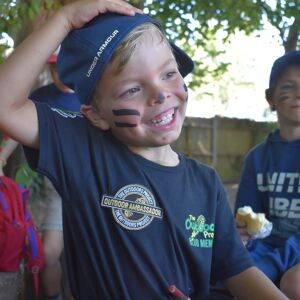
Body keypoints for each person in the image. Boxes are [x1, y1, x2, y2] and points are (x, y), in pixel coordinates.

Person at [0, 0, 289, 299]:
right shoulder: (83, 151)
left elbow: (236, 270)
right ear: (96, 114)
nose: (161, 94)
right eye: (132, 89)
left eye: (168, 74)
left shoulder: (207, 184)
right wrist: (64, 19)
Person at [235, 50, 300, 300]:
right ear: (270, 97)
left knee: (293, 283)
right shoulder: (257, 158)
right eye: (288, 86)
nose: (297, 93)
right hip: (269, 249)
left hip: (287, 254)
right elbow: (247, 221)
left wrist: (272, 264)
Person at [29, 50, 80, 300]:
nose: (60, 73)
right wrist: (3, 155)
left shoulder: (93, 97)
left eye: (64, 67)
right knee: (46, 253)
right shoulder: (40, 97)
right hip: (48, 183)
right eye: (55, 69)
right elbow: (20, 128)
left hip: (84, 184)